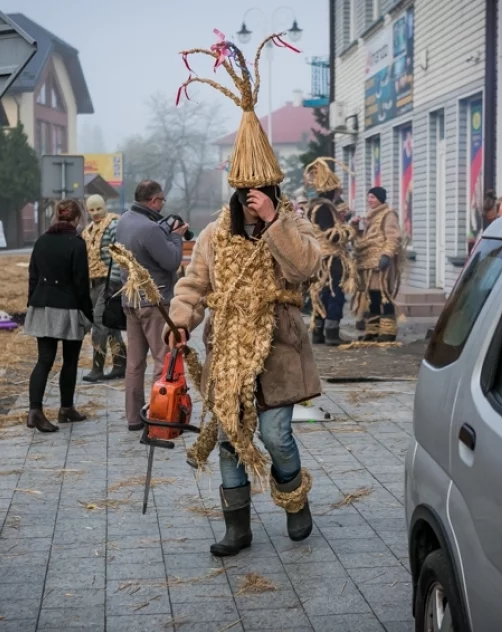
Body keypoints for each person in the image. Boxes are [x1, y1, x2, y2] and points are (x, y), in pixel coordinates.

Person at [171, 32, 321, 557]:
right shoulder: (215, 234)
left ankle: (295, 499)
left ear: (275, 195)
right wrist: (182, 318)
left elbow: (305, 268)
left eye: (263, 196)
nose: (253, 204)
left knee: (277, 434)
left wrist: (276, 221)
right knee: (233, 438)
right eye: (247, 198)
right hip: (229, 349)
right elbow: (194, 283)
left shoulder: (293, 227)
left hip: (278, 347)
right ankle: (238, 527)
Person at [114, 180, 186, 431]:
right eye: (162, 201)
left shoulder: (124, 220)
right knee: (162, 360)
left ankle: (134, 418)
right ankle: (160, 415)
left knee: (134, 364)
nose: (163, 205)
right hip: (154, 302)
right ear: (154, 201)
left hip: (130, 301)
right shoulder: (150, 229)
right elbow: (171, 262)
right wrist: (176, 238)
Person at [23, 199, 94, 433]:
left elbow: (33, 276)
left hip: (42, 305)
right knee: (70, 360)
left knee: (44, 359)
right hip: (68, 307)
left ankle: (36, 410)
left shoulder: (41, 241)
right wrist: (88, 314)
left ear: (57, 217)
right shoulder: (77, 243)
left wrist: (32, 302)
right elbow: (81, 284)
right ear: (76, 219)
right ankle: (65, 408)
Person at [303, 157, 356, 346]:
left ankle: (318, 333)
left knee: (320, 294)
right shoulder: (325, 208)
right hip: (330, 260)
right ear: (332, 191)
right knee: (334, 294)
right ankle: (332, 333)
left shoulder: (313, 207)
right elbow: (332, 236)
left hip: (318, 259)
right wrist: (350, 229)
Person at [81, 194, 126, 383]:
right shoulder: (89, 229)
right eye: (91, 210)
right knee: (111, 324)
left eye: (98, 208)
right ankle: (120, 364)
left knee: (99, 324)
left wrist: (114, 283)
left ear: (105, 206)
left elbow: (119, 254)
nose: (95, 213)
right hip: (95, 282)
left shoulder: (113, 225)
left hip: (110, 282)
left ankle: (97, 368)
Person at [352, 186, 401, 342]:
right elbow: (365, 239)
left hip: (382, 265)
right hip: (369, 265)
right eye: (368, 197)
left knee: (384, 296)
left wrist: (386, 255)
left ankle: (388, 332)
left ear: (380, 199)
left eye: (372, 197)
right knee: (372, 297)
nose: (369, 200)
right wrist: (355, 227)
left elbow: (393, 237)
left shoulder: (389, 214)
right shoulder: (370, 217)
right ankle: (372, 330)